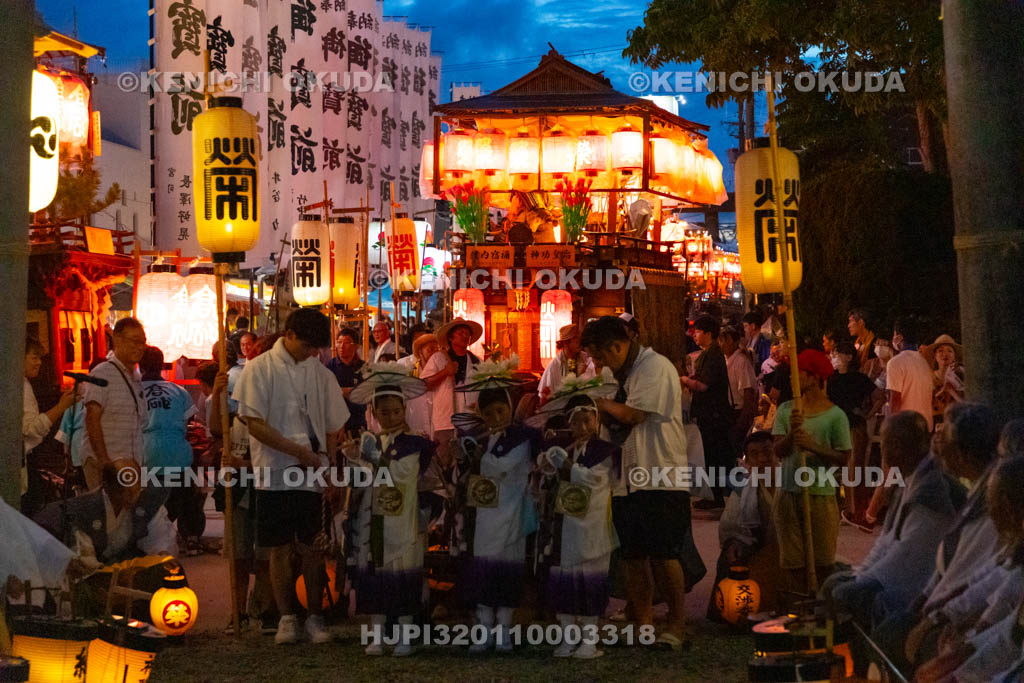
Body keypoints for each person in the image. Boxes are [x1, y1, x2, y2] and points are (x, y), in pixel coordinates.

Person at [231, 308, 349, 645]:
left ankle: (314, 615)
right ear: (291, 334)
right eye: (308, 345)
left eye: (317, 348)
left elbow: (330, 427)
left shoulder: (321, 373)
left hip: (313, 471)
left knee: (314, 547)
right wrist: (300, 453)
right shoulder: (259, 368)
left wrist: (329, 471)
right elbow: (253, 422)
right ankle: (286, 616)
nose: (313, 353)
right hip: (274, 470)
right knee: (279, 549)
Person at [824, 412, 963, 674]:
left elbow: (908, 555)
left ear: (898, 446)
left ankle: (865, 670)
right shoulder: (910, 478)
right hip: (905, 574)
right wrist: (861, 572)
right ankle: (853, 667)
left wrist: (865, 581)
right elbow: (888, 539)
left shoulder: (932, 489)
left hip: (921, 584)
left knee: (847, 595)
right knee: (838, 582)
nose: (882, 449)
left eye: (884, 442)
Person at [582, 316, 690, 650]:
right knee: (632, 555)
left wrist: (595, 401)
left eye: (601, 356)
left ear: (617, 345)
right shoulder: (615, 373)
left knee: (663, 553)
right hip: (625, 476)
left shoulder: (654, 367)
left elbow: (634, 415)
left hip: (658, 473)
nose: (598, 364)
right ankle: (641, 623)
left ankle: (676, 624)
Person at [871, 402, 1001, 674]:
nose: (937, 445)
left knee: (890, 633)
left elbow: (975, 576)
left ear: (963, 453)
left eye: (945, 439)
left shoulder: (989, 505)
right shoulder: (973, 490)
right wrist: (927, 599)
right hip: (939, 601)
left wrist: (937, 615)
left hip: (962, 614)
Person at [343, 364, 433, 656]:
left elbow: (411, 478)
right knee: (375, 577)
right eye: (385, 412)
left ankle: (405, 636)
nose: (391, 417)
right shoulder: (369, 442)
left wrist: (375, 463)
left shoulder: (418, 445)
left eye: (396, 411)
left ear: (404, 409)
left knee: (405, 577)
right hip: (374, 524)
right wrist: (356, 461)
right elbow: (360, 484)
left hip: (405, 523)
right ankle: (378, 635)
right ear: (374, 412)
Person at [452, 367, 540, 653]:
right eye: (489, 414)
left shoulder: (522, 439)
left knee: (506, 573)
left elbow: (502, 467)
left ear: (510, 408)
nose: (496, 418)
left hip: (512, 515)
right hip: (485, 517)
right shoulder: (483, 440)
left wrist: (477, 457)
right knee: (483, 571)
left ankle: (503, 631)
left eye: (501, 411)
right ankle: (484, 630)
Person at [536, 392, 620, 659]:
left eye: (588, 421)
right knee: (564, 580)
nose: (582, 428)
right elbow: (544, 475)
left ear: (596, 420)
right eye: (576, 423)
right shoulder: (567, 446)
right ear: (569, 424)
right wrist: (548, 461)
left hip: (593, 528)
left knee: (590, 582)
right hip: (565, 527)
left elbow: (594, 481)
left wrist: (568, 465)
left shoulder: (605, 451)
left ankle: (589, 639)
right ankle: (567, 636)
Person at [771, 349, 852, 594]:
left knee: (823, 562)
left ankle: (823, 616)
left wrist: (813, 447)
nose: (790, 378)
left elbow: (843, 457)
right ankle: (798, 614)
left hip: (821, 494)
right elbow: (778, 450)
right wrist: (792, 435)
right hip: (788, 492)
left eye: (798, 372)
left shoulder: (835, 416)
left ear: (814, 376)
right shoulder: (787, 410)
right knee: (793, 562)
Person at [708, 431, 782, 619]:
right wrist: (733, 544)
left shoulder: (792, 483)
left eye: (767, 452)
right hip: (759, 546)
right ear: (748, 462)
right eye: (755, 455)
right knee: (730, 558)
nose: (763, 459)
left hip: (790, 547)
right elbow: (730, 525)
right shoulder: (744, 488)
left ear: (777, 453)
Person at [82, 318, 149, 491]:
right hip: (108, 466)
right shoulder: (102, 372)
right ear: (117, 339)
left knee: (126, 517)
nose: (140, 347)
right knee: (109, 515)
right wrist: (104, 462)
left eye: (143, 342)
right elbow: (92, 418)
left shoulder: (135, 379)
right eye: (135, 341)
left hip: (130, 465)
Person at [827, 340, 881, 531]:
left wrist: (869, 413)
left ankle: (856, 511)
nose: (834, 357)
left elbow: (880, 396)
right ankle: (842, 509)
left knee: (854, 470)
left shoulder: (859, 378)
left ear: (849, 357)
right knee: (838, 469)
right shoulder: (831, 378)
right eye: (833, 353)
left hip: (855, 426)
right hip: (836, 427)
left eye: (838, 353)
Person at [683, 316, 732, 508]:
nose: (694, 335)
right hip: (710, 414)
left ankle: (719, 496)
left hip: (714, 415)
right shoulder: (708, 354)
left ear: (708, 334)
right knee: (712, 455)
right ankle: (715, 495)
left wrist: (686, 381)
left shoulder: (713, 355)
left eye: (698, 331)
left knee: (716, 455)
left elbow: (704, 385)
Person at [421, 318, 482, 466]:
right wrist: (444, 373)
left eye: (467, 334)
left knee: (470, 465)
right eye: (461, 333)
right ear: (450, 337)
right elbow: (423, 385)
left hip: (470, 422)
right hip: (445, 423)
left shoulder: (477, 362)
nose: (465, 336)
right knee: (444, 465)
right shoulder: (438, 358)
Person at [23, 338, 75, 496]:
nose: (39, 363)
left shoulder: (23, 383)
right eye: (34, 357)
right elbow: (31, 430)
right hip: (22, 462)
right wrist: (61, 406)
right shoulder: (20, 386)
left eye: (40, 358)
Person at [886, 316, 935, 432]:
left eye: (894, 334)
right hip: (925, 426)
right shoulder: (924, 362)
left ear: (899, 337)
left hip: (906, 428)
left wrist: (891, 428)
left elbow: (895, 399)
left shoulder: (895, 363)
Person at [719, 326, 758, 452]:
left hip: (738, 414)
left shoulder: (741, 361)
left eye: (724, 340)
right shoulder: (726, 360)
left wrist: (741, 424)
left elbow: (748, 393)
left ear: (733, 341)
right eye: (720, 340)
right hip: (730, 414)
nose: (721, 344)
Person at [538, 323, 595, 402]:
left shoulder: (586, 359)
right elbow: (551, 394)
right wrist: (579, 375)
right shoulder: (555, 365)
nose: (579, 343)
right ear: (566, 343)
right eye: (576, 341)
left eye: (579, 340)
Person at [325, 328, 367, 437]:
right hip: (336, 422)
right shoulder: (330, 367)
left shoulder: (364, 367)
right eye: (339, 342)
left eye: (347, 342)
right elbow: (327, 393)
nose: (342, 346)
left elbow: (365, 392)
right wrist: (346, 391)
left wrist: (341, 391)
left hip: (358, 419)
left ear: (356, 346)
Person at [928, 334, 965, 432]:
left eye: (949, 351)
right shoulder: (928, 377)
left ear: (954, 356)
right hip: (934, 422)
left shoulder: (960, 378)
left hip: (955, 422)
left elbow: (966, 402)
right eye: (940, 351)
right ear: (935, 356)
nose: (945, 354)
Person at [404, 333, 438, 436]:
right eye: (430, 349)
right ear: (420, 352)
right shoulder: (411, 370)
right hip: (416, 415)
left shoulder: (440, 369)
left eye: (437, 350)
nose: (434, 353)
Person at [847, 309, 879, 379]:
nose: (848, 326)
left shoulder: (874, 344)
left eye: (851, 321)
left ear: (861, 322)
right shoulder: (858, 343)